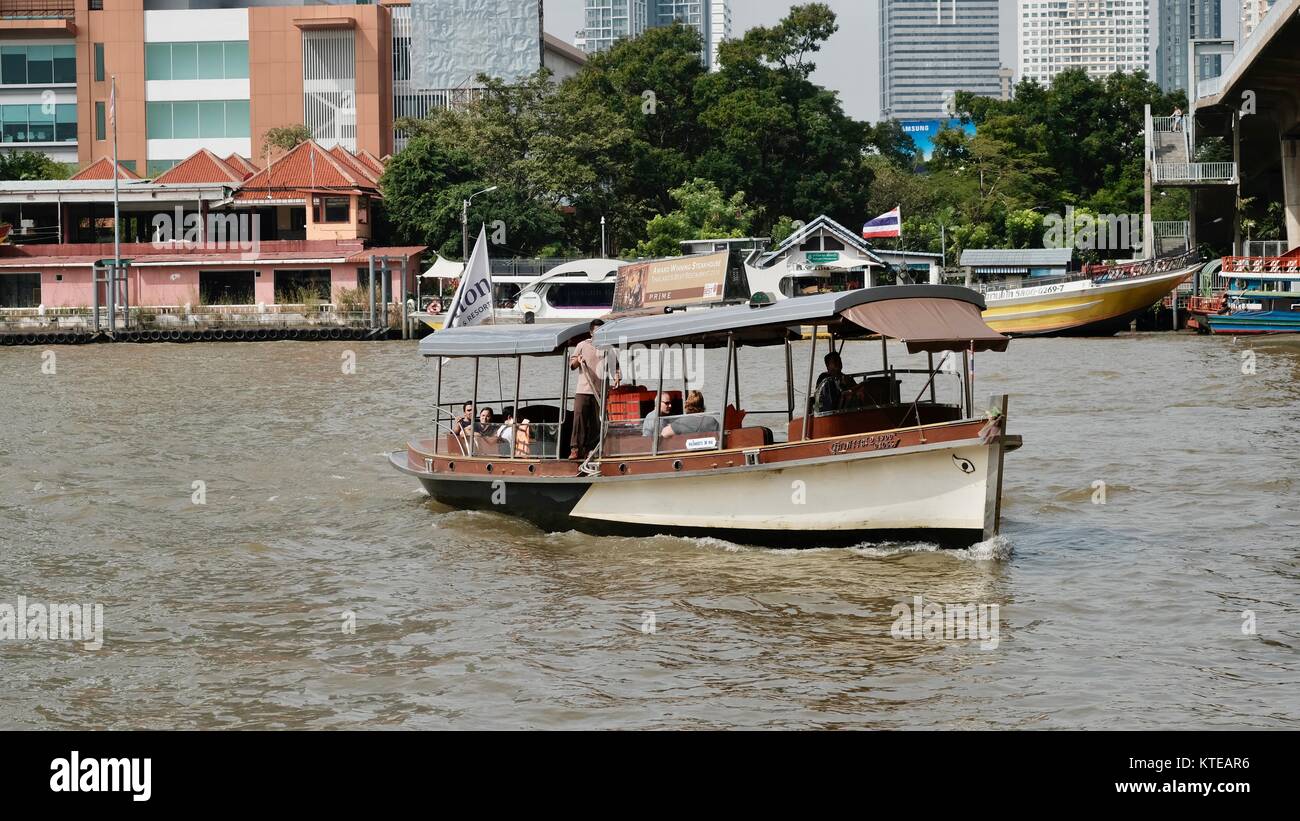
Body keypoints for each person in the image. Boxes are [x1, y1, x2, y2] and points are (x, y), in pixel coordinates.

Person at [568, 319, 620, 460]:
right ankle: (575, 449)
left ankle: (591, 449)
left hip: (601, 391)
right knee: (579, 419)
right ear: (591, 332)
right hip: (583, 390)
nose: (599, 333)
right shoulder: (582, 345)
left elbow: (615, 367)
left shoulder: (608, 348)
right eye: (597, 330)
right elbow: (571, 365)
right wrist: (578, 360)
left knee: (597, 422)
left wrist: (617, 377)